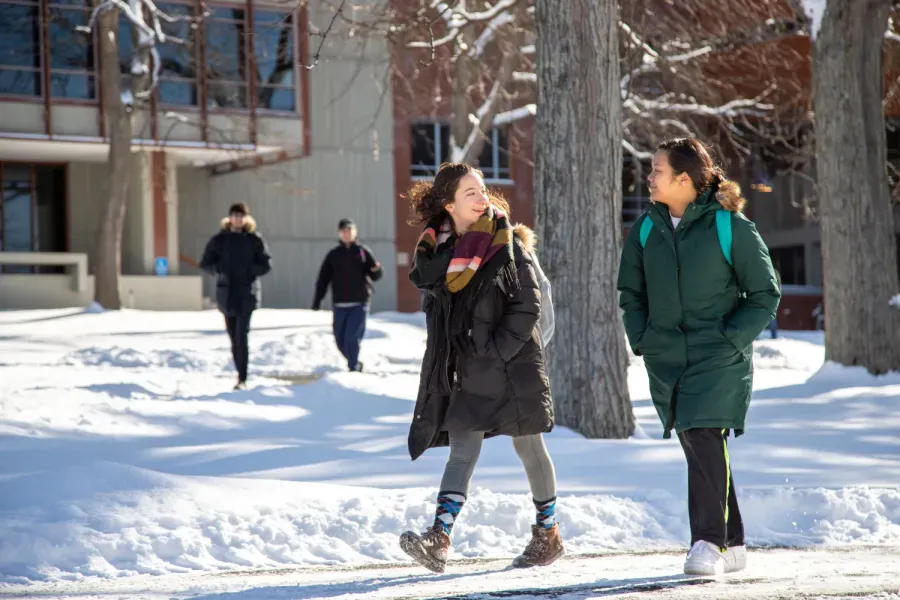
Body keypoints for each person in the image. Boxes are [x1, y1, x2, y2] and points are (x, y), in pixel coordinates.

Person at [617, 138, 781, 576]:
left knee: (703, 433)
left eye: (656, 171)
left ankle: (708, 542)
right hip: (666, 354)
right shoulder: (646, 229)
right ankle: (733, 541)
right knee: (697, 441)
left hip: (718, 355)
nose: (648, 177)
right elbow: (630, 292)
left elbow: (764, 293)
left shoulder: (731, 227)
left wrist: (732, 339)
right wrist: (643, 338)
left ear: (683, 180)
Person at [399, 162, 562, 574]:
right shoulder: (435, 254)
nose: (480, 196)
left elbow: (529, 305)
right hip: (466, 368)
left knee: (528, 446)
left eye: (482, 188)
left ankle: (548, 534)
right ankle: (440, 539)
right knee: (463, 449)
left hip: (513, 363)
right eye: (469, 192)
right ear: (449, 203)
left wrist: (498, 351)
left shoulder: (507, 242)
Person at [200, 203, 273, 390]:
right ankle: (239, 372)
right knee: (233, 337)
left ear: (246, 219)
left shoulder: (254, 240)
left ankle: (243, 377)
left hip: (247, 293)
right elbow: (206, 262)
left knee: (242, 336)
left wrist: (250, 271)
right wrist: (219, 270)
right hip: (226, 293)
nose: (238, 219)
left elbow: (266, 264)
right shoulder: (220, 240)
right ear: (229, 218)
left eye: (241, 216)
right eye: (235, 216)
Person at [312, 218, 383, 372]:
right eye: (344, 230)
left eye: (349, 230)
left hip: (359, 303)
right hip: (339, 304)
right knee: (340, 340)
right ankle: (355, 362)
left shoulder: (363, 252)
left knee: (352, 338)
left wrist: (377, 270)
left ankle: (353, 368)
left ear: (355, 232)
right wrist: (318, 300)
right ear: (339, 233)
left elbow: (375, 276)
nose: (347, 233)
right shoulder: (333, 255)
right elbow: (323, 278)